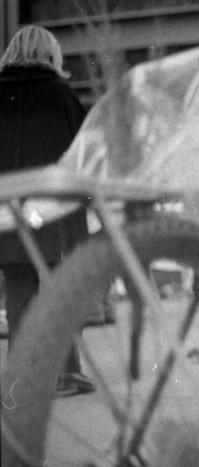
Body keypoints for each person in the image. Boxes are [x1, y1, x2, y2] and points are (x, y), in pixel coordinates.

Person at [0, 26, 93, 395]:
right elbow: (82, 158)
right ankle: (67, 373)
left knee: (20, 289)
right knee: (61, 290)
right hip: (57, 215)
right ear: (51, 54)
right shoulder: (62, 97)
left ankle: (21, 379)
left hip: (7, 212)